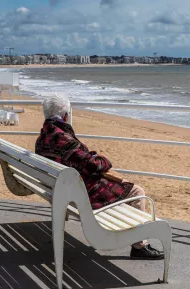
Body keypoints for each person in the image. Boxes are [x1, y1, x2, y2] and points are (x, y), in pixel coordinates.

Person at [35, 94, 163, 260]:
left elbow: (77, 160)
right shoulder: (63, 139)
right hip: (81, 196)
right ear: (66, 116)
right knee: (137, 191)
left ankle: (132, 237)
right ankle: (139, 246)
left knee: (123, 185)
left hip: (60, 190)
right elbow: (93, 165)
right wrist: (104, 160)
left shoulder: (41, 138)